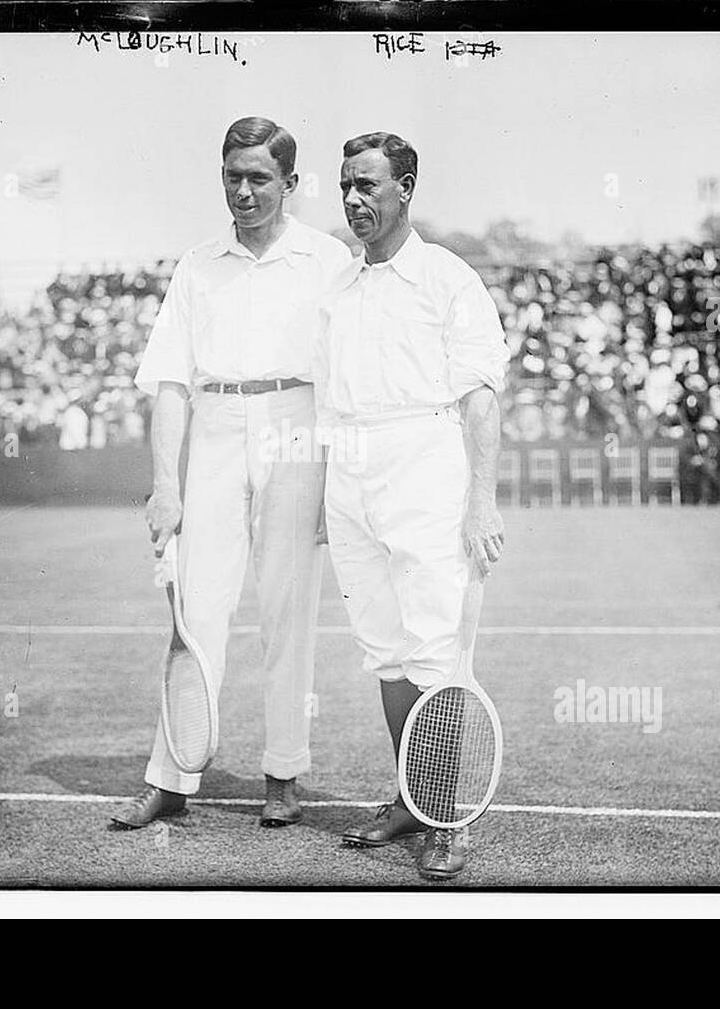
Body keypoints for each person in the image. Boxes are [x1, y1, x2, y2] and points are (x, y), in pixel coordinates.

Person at [111, 117, 352, 830]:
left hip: (296, 425)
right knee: (195, 611)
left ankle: (283, 774)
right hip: (215, 428)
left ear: (290, 184)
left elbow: (341, 376)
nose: (243, 192)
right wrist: (165, 484)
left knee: (287, 610)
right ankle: (172, 777)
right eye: (232, 176)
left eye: (259, 178)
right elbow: (170, 383)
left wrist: (332, 476)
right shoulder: (198, 263)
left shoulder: (327, 259)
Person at [314, 131, 510, 880]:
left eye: (367, 186)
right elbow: (328, 404)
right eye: (344, 187)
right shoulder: (337, 285)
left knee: (435, 652)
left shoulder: (449, 278)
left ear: (405, 189)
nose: (354, 200)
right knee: (387, 654)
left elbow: (480, 399)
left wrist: (480, 503)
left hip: (427, 465)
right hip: (350, 472)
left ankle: (445, 817)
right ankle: (409, 798)